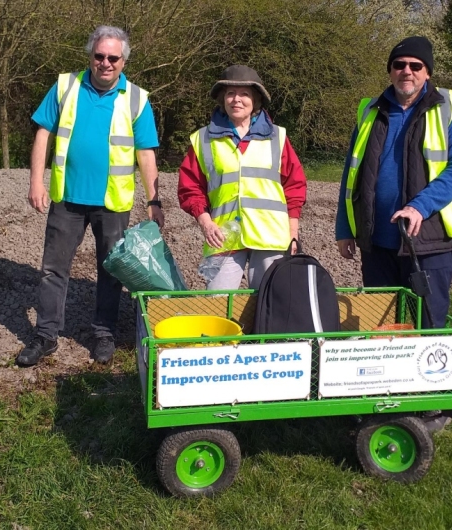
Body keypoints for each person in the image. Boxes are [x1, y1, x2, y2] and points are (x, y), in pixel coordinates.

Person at [17, 25, 164, 367]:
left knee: (111, 270)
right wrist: (35, 181)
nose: (105, 63)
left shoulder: (138, 99)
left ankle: (103, 334)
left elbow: (146, 154)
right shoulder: (65, 86)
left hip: (113, 202)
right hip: (67, 198)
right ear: (90, 56)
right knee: (53, 269)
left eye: (113, 57)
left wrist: (154, 200)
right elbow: (44, 133)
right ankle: (46, 335)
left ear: (124, 61)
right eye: (99, 56)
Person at [335, 36, 452, 329]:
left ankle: (435, 375)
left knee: (430, 324)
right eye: (399, 64)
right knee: (379, 327)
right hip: (377, 242)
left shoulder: (448, 109)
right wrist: (346, 229)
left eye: (415, 65)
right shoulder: (369, 111)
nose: (406, 71)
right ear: (390, 71)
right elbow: (351, 174)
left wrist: (419, 207)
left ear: (428, 72)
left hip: (428, 243)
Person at [178, 65, 307, 290]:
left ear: (256, 99)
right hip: (222, 236)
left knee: (269, 306)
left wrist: (293, 232)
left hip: (270, 237)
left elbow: (294, 186)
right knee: (217, 305)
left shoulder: (278, 137)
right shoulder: (202, 139)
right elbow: (190, 187)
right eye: (230, 93)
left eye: (244, 94)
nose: (236, 100)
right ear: (222, 99)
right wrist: (206, 224)